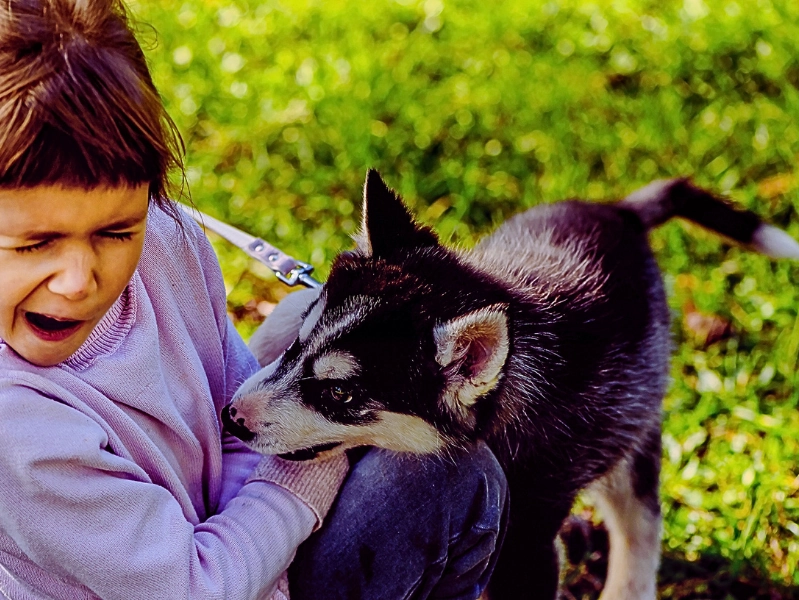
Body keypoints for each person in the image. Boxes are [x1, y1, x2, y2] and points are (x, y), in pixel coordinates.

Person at [0, 0, 508, 599]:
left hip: (252, 554)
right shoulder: (16, 428)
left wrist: (281, 474)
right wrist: (300, 477)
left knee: (453, 477)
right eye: (36, 244)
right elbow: (193, 589)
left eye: (116, 232)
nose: (79, 280)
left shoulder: (168, 240)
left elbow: (238, 418)